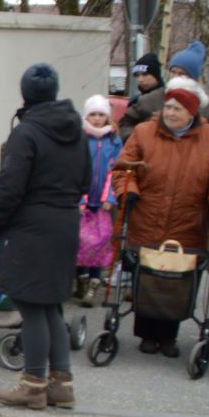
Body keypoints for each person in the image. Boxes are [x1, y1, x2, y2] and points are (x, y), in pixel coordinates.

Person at [0, 65, 91, 409]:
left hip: (30, 225)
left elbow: (10, 187)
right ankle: (62, 384)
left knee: (30, 308)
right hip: (65, 223)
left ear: (25, 95)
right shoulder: (77, 132)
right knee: (50, 307)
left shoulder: (26, 133)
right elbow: (86, 181)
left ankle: (33, 385)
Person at [110, 80, 209, 356]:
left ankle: (168, 337)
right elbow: (123, 169)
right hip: (147, 217)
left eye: (177, 108)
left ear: (192, 112)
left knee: (177, 280)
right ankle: (146, 334)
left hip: (188, 221)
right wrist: (128, 191)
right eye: (167, 107)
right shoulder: (144, 132)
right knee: (149, 276)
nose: (170, 112)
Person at [77, 94, 123, 305]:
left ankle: (94, 281)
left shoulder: (113, 140)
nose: (97, 119)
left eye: (101, 115)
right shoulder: (80, 138)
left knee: (100, 240)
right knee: (82, 240)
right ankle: (82, 277)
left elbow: (116, 170)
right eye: (93, 114)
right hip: (84, 199)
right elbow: (76, 169)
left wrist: (110, 196)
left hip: (102, 201)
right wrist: (80, 198)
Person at [117, 52, 164, 144]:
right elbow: (124, 126)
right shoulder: (136, 100)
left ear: (156, 75)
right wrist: (139, 137)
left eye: (145, 74)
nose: (140, 79)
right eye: (137, 75)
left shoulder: (169, 96)